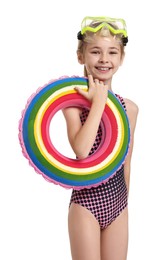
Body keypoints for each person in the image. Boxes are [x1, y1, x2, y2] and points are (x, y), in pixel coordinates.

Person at [62, 16, 138, 260]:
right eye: (95, 51)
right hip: (86, 204)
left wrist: (124, 205)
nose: (104, 59)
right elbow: (82, 150)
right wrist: (98, 103)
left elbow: (126, 161)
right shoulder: (72, 105)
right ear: (80, 56)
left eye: (112, 52)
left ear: (121, 58)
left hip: (118, 203)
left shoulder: (130, 109)